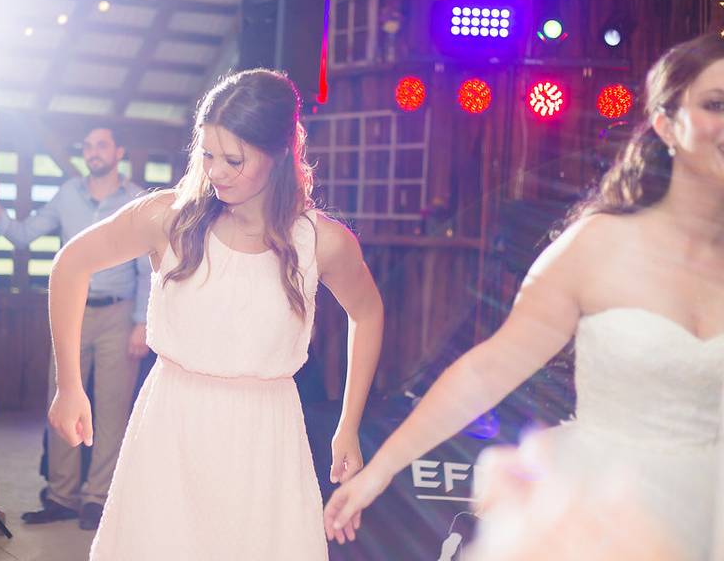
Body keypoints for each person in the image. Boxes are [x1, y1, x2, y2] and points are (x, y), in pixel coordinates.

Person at [323, 32, 724, 560]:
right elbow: (487, 370)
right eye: (716, 104)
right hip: (607, 517)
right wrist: (381, 469)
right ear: (666, 124)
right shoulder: (600, 243)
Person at [47, 69, 384, 558]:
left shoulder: (321, 241)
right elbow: (70, 265)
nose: (216, 171)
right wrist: (70, 385)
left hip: (265, 436)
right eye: (207, 154)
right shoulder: (168, 217)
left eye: (233, 159)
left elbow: (368, 315)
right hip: (171, 425)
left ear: (279, 154)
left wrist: (348, 424)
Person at [0, 126, 151, 530]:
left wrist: (142, 322)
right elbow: (25, 234)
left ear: (118, 151)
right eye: (87, 146)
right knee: (63, 398)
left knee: (112, 408)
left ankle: (97, 498)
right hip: (74, 313)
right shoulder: (66, 194)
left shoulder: (137, 201)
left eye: (102, 144)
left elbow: (147, 270)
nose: (93, 151)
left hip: (120, 315)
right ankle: (62, 495)